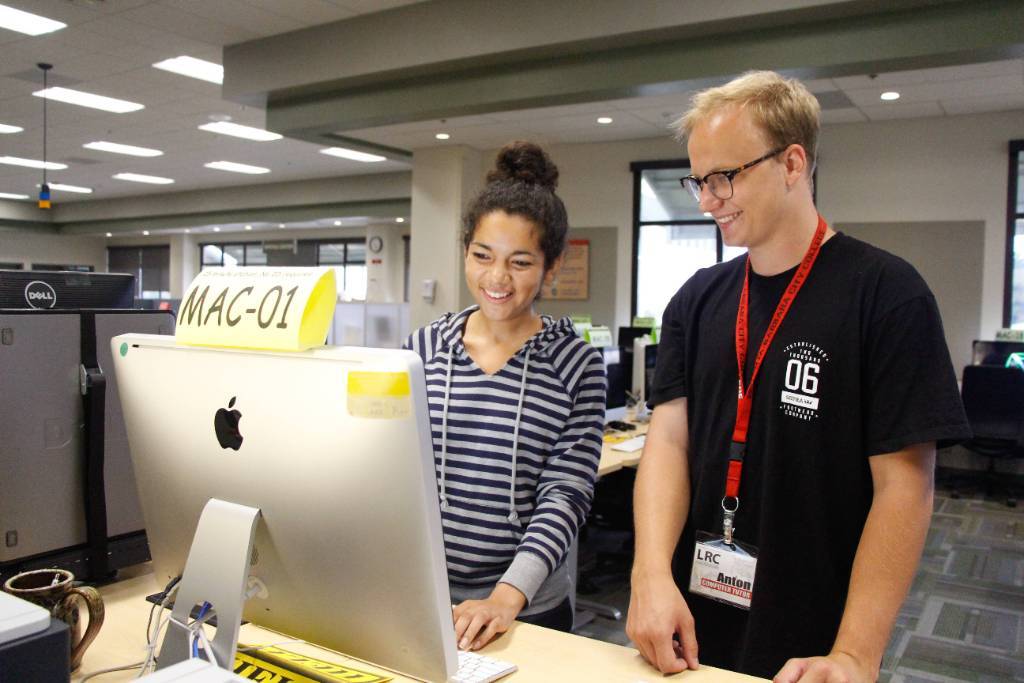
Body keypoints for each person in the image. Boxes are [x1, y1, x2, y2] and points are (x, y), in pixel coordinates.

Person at [625, 71, 970, 682]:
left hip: (818, 632)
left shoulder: (886, 294)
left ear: (791, 162)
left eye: (725, 177)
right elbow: (670, 441)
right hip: (689, 623)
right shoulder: (697, 299)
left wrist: (856, 654)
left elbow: (905, 488)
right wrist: (649, 575)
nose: (708, 201)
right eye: (699, 181)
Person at [405, 141, 607, 652]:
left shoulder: (576, 365)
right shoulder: (421, 351)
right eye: (482, 256)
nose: (497, 278)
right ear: (465, 251)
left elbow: (565, 495)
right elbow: (394, 472)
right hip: (428, 595)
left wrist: (504, 598)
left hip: (525, 608)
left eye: (520, 262)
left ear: (551, 266)